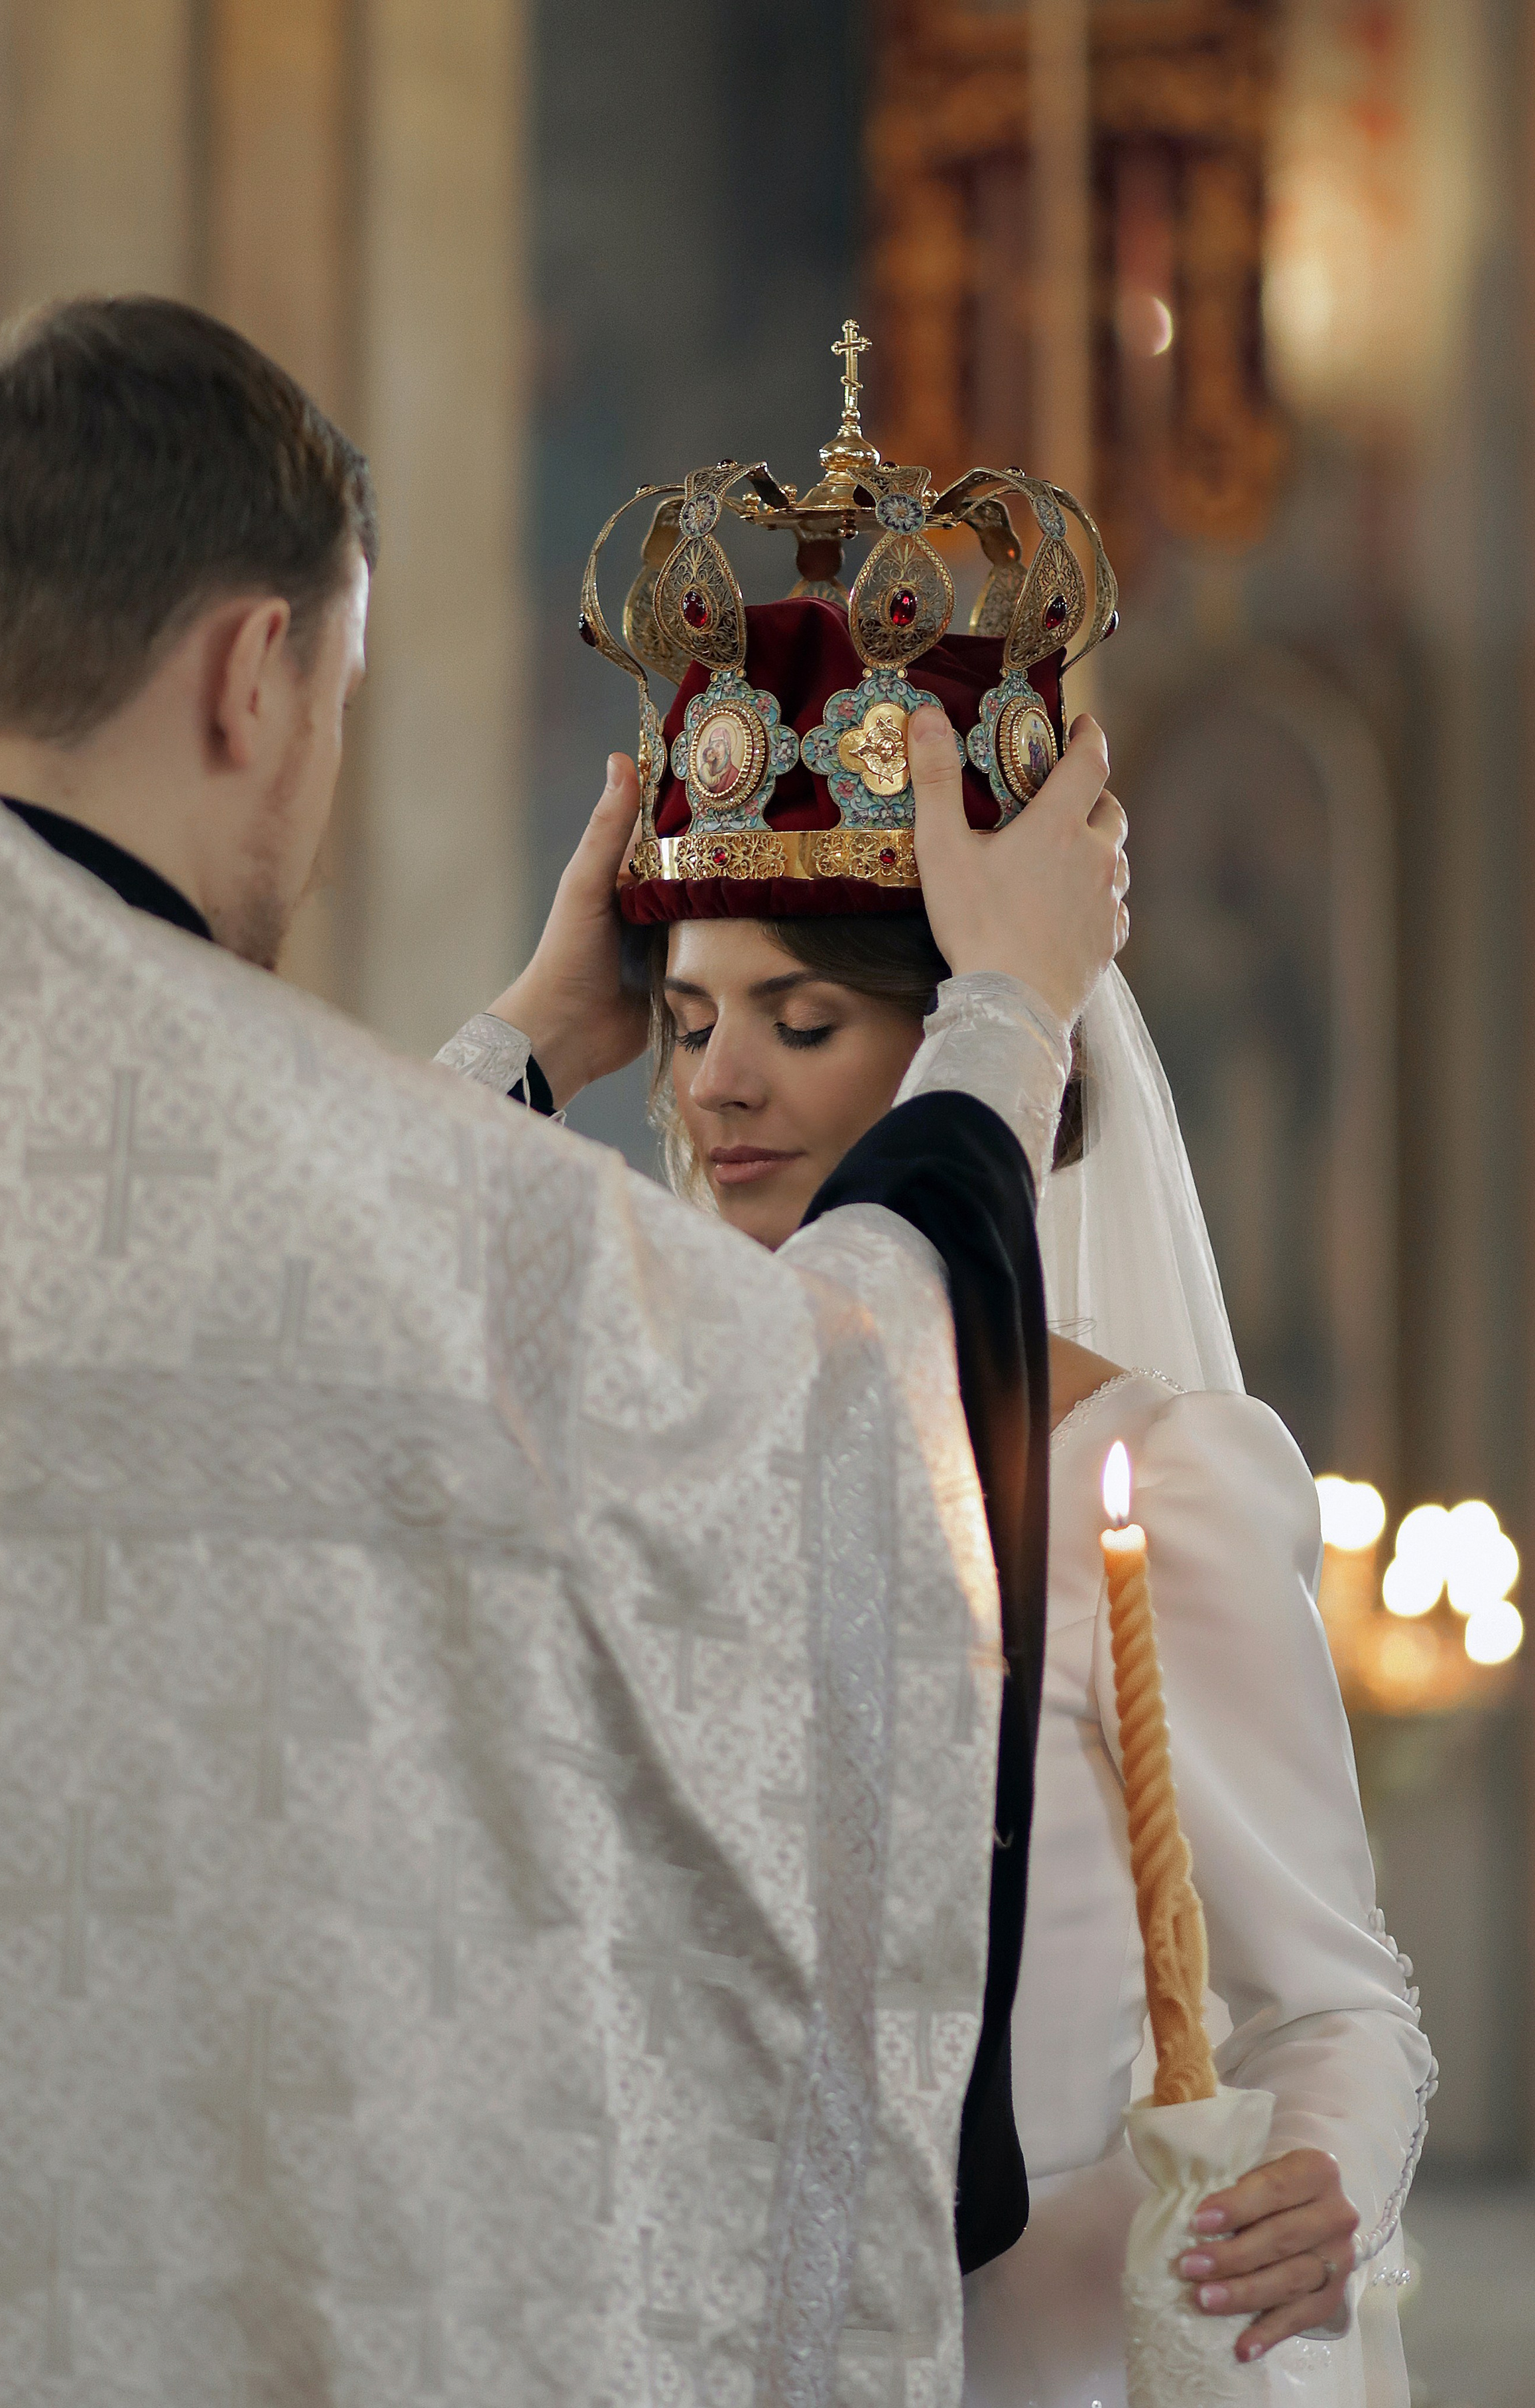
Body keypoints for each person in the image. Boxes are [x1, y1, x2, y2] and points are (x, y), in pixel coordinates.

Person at [0, 296, 1121, 2401]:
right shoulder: (374, 1217)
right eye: (340, 695)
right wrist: (1002, 1022)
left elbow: (300, 1270)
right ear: (259, 676)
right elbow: (822, 1444)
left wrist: (523, 1052)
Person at [452, 592, 1435, 2407]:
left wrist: (1333, 2181)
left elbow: (1337, 2002)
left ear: (959, 1061)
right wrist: (538, 1026)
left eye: (800, 1019)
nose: (717, 1082)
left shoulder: (1158, 1482)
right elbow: (406, 1346)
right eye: (679, 1022)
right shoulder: (661, 1438)